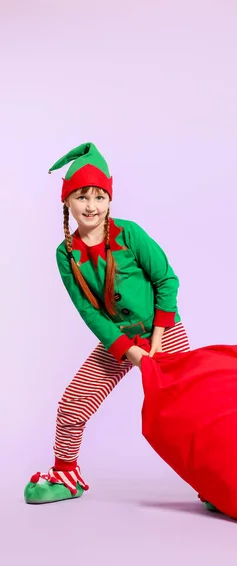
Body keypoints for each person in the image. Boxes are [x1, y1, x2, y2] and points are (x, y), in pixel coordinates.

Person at [24, 142, 190, 504]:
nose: (91, 206)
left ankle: (215, 478)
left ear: (109, 201)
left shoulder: (129, 234)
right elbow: (89, 312)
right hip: (117, 340)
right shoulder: (65, 254)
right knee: (72, 403)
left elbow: (166, 280)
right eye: (82, 197)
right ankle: (66, 475)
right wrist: (128, 351)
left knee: (188, 408)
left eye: (99, 197)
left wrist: (158, 338)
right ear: (67, 202)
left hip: (164, 332)